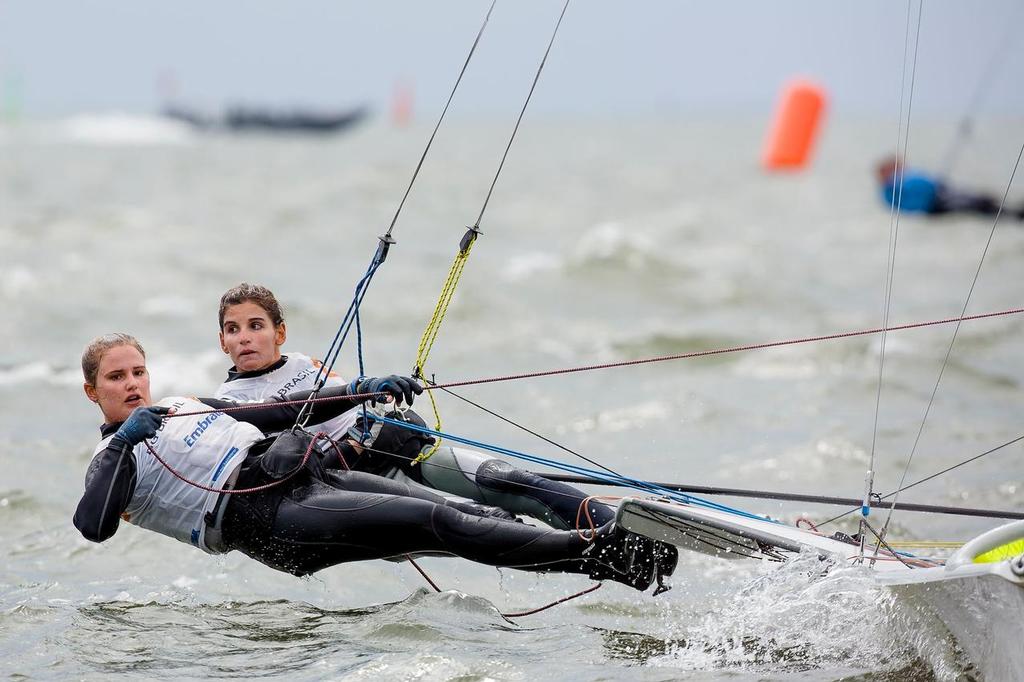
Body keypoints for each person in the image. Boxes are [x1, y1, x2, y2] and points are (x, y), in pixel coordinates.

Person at [73, 333, 676, 592]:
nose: (131, 384)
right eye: (116, 378)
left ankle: (614, 557)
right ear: (92, 391)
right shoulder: (110, 460)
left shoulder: (180, 404)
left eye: (137, 372)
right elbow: (93, 526)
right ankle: (604, 552)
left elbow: (284, 412)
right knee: (439, 527)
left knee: (458, 512)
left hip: (304, 474)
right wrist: (124, 439)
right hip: (267, 520)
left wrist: (365, 388)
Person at [213, 282, 619, 531]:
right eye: (233, 329)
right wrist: (356, 439)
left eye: (256, 325)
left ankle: (609, 522)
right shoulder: (229, 403)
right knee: (484, 521)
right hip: (362, 483)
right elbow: (284, 467)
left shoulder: (307, 364)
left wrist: (386, 395)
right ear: (222, 342)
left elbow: (356, 408)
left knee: (507, 480)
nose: (245, 338)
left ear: (279, 332)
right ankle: (598, 552)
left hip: (401, 448)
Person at [875, 155, 1024, 219]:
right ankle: (1014, 215)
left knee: (982, 198)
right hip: (935, 204)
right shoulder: (890, 188)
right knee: (976, 206)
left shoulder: (903, 177)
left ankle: (1015, 210)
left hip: (942, 191)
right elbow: (910, 207)